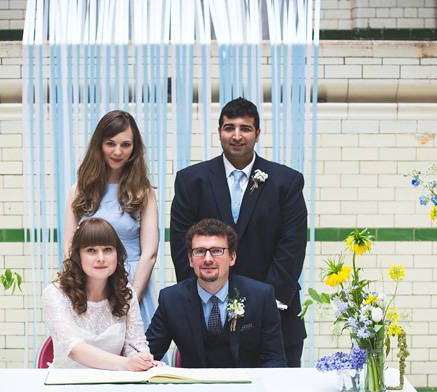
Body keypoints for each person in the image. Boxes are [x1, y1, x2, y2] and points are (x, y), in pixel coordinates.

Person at [169, 97, 307, 366]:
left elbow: (292, 246)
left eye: (245, 128)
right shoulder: (191, 181)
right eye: (229, 127)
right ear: (219, 131)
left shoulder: (286, 182)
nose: (236, 135)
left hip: (276, 316)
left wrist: (266, 304)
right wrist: (202, 303)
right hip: (209, 316)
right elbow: (182, 247)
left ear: (257, 134)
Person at [63, 110, 159, 328]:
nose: (118, 151)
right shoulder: (79, 191)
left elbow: (150, 253)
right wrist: (83, 291)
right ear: (99, 145)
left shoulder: (143, 192)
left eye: (125, 144)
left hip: (132, 285)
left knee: (137, 355)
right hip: (90, 287)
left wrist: (130, 299)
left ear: (134, 149)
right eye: (110, 143)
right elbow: (69, 248)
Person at [147, 219, 286, 368]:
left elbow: (274, 360)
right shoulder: (171, 300)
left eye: (216, 251)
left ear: (232, 257)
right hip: (194, 389)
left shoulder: (261, 296)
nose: (207, 259)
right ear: (190, 259)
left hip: (246, 388)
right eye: (200, 251)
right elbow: (147, 354)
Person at [44, 218, 156, 371]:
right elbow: (74, 349)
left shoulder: (125, 293)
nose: (101, 258)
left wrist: (143, 359)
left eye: (108, 249)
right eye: (91, 250)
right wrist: (126, 364)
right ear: (78, 255)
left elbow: (136, 343)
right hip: (66, 384)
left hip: (112, 385)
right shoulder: (55, 293)